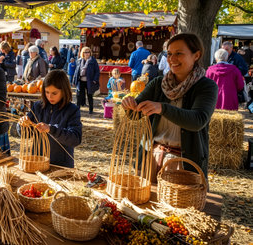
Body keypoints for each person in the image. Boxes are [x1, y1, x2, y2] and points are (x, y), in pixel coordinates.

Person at [121, 33, 218, 182]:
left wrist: (162, 108)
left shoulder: (206, 87)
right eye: (169, 53)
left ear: (196, 55)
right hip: (151, 157)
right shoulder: (158, 83)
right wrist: (129, 105)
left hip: (184, 164)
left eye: (179, 53)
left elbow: (197, 121)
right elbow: (135, 114)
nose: (172, 59)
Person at [19, 70, 82, 168]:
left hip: (61, 165)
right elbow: (27, 133)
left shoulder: (72, 110)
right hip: (38, 161)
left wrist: (51, 129)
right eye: (47, 92)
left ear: (64, 91)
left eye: (54, 93)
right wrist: (23, 125)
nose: (49, 96)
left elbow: (75, 139)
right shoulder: (38, 106)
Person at [72, 46, 100, 114]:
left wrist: (95, 80)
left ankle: (91, 109)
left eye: (88, 52)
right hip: (80, 80)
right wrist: (74, 80)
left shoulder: (93, 61)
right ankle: (77, 109)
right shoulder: (79, 60)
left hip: (89, 81)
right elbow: (76, 71)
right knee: (79, 95)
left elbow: (97, 71)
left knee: (89, 95)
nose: (87, 54)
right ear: (83, 53)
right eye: (85, 52)